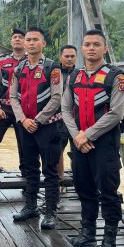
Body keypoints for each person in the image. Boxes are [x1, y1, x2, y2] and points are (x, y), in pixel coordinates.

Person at [62, 29, 124, 247]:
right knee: (84, 188)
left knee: (108, 192)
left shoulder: (116, 77)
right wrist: (77, 136)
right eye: (87, 44)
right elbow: (66, 109)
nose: (91, 48)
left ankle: (109, 243)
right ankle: (87, 235)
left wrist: (86, 135)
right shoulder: (74, 76)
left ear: (105, 49)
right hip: (79, 142)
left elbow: (116, 113)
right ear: (82, 48)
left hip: (104, 144)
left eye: (96, 44)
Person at [9, 27, 63, 226]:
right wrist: (23, 120)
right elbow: (13, 97)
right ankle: (30, 206)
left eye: (35, 40)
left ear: (44, 44)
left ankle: (50, 212)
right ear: (24, 43)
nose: (31, 43)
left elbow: (57, 97)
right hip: (25, 126)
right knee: (30, 167)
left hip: (47, 127)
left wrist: (38, 120)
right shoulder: (18, 69)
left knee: (50, 170)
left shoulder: (52, 68)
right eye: (28, 40)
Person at [0, 29, 27, 171]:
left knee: (25, 146)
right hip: (3, 108)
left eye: (21, 37)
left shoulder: (32, 61)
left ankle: (26, 177)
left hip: (24, 111)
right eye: (15, 37)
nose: (17, 39)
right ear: (11, 41)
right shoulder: (2, 61)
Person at [56, 45, 78, 183]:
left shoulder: (81, 74)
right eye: (66, 56)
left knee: (78, 151)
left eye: (72, 56)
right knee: (58, 151)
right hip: (57, 119)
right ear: (60, 57)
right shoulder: (54, 72)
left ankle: (79, 180)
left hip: (77, 119)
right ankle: (60, 181)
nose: (69, 59)